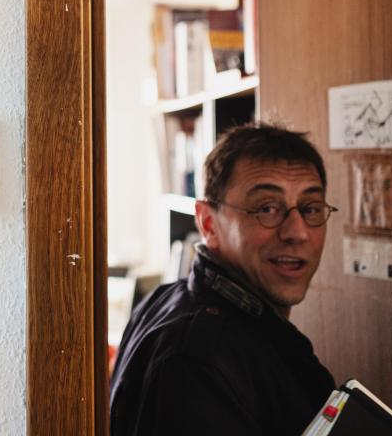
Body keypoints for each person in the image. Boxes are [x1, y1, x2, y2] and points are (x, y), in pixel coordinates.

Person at [110, 123, 338, 435]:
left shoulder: (167, 296)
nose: (297, 232)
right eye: (267, 208)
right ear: (208, 223)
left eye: (311, 208)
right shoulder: (200, 361)